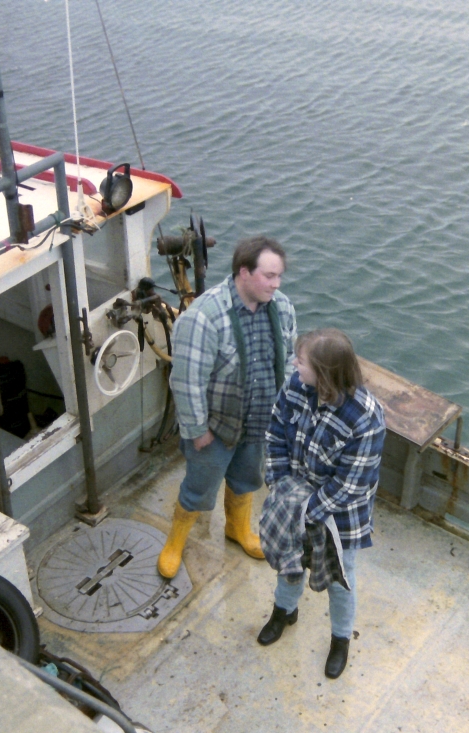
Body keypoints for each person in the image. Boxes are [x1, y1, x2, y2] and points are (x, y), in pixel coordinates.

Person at [158, 236, 297, 579]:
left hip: (260, 423)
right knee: (199, 487)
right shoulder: (204, 317)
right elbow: (187, 381)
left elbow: (290, 360)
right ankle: (174, 543)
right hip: (215, 428)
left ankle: (238, 529)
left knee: (248, 479)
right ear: (244, 272)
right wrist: (197, 430)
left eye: (279, 276)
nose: (276, 284)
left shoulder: (281, 307)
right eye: (269, 276)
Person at [257, 328, 386, 680]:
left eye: (301, 361)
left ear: (324, 373)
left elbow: (350, 484)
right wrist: (279, 485)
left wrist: (305, 513)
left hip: (340, 513)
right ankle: (284, 611)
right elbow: (275, 432)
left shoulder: (366, 419)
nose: (294, 365)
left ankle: (341, 639)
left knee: (341, 578)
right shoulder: (295, 386)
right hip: (294, 493)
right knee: (290, 560)